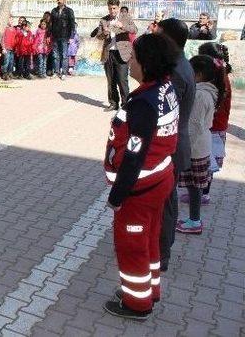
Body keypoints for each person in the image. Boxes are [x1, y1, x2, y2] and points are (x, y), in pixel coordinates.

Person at [103, 33, 180, 320]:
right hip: (159, 180)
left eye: (133, 58)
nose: (129, 62)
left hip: (140, 188)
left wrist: (117, 196)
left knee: (132, 244)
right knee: (148, 239)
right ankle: (150, 291)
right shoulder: (163, 88)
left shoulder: (145, 103)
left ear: (147, 63)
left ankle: (136, 304)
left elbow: (134, 155)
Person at [154, 18, 196, 272]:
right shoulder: (177, 64)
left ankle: (161, 255)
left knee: (166, 205)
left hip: (172, 146)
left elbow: (167, 112)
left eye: (159, 35)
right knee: (164, 203)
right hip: (172, 144)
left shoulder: (178, 71)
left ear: (169, 38)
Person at [176, 55, 223, 234]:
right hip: (198, 145)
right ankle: (193, 219)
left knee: (195, 187)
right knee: (194, 186)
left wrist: (183, 147)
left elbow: (193, 126)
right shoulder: (206, 91)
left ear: (199, 74)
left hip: (194, 147)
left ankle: (194, 221)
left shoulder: (201, 95)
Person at [196, 43, 232, 203]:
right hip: (217, 126)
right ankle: (203, 192)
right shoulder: (221, 75)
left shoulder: (217, 80)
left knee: (206, 162)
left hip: (213, 127)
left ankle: (203, 194)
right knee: (207, 162)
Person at [96, 0, 137, 112]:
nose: (112, 11)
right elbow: (98, 36)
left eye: (114, 8)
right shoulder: (104, 20)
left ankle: (126, 105)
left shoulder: (126, 17)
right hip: (109, 53)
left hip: (122, 53)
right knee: (111, 80)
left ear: (118, 7)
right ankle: (113, 103)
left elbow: (134, 30)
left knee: (122, 80)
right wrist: (104, 33)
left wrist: (122, 26)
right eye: (110, 8)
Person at [50, 0, 76, 80]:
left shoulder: (69, 11)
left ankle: (64, 73)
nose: (59, 1)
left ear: (65, 0)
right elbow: (51, 23)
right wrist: (49, 34)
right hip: (55, 36)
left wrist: (71, 36)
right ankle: (56, 72)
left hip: (65, 36)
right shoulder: (54, 11)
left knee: (64, 55)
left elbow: (72, 24)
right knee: (55, 55)